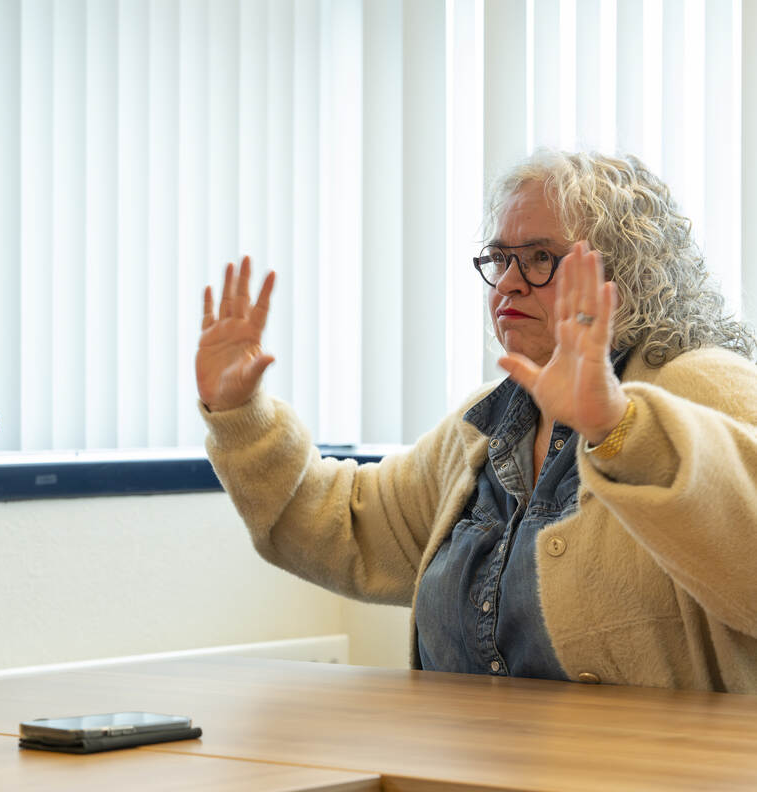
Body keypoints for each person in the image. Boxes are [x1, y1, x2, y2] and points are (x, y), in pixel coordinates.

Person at [196, 150, 757, 692]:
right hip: (462, 779)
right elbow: (345, 525)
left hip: (654, 784)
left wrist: (619, 427)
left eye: (539, 258)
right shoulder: (485, 423)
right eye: (499, 259)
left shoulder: (702, 381)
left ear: (624, 274)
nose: (509, 283)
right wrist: (240, 416)